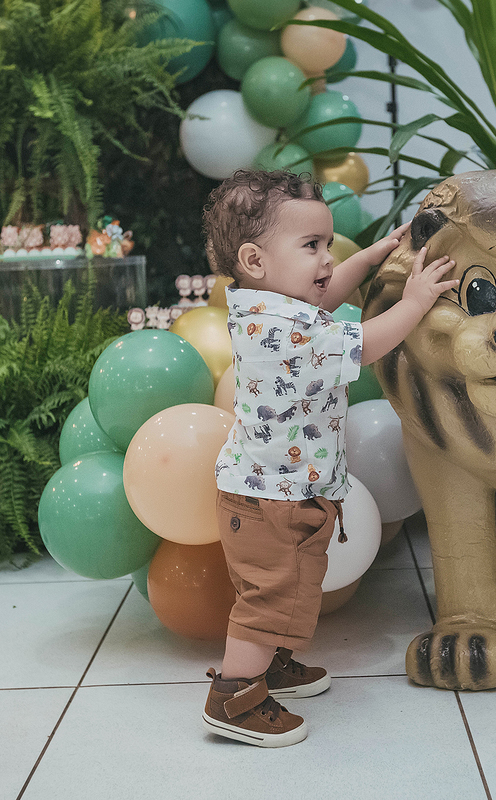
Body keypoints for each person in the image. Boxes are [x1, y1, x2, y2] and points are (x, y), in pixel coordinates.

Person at [202, 170, 457, 747]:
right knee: (269, 602)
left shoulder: (259, 303)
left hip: (266, 491)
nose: (327, 258)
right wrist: (416, 300)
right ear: (256, 259)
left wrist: (374, 254)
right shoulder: (291, 330)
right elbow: (366, 344)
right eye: (312, 245)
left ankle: (269, 666)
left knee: (285, 591)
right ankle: (234, 698)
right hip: (277, 499)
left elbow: (328, 290)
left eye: (329, 242)